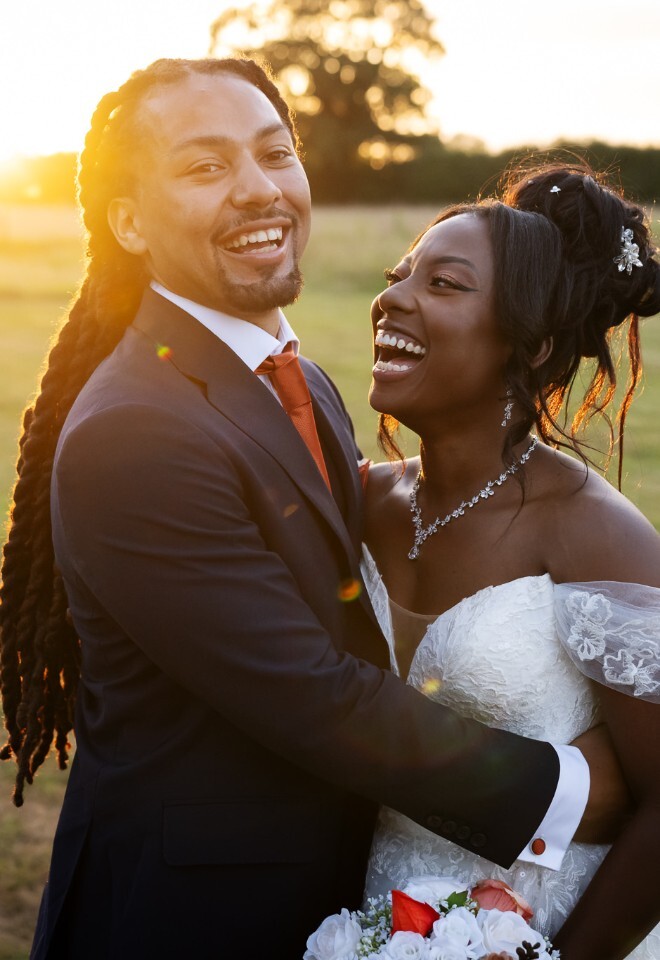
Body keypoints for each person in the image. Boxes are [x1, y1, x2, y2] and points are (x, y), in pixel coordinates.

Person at [0, 59, 619, 958]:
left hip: (327, 895)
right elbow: (311, 694)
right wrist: (568, 789)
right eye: (206, 168)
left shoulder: (302, 379)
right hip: (188, 918)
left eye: (274, 153)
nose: (259, 190)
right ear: (128, 221)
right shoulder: (135, 427)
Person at [361, 162, 660, 959]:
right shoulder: (359, 500)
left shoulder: (594, 533)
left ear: (530, 343)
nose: (392, 298)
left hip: (551, 928)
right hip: (364, 920)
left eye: (444, 284)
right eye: (399, 276)